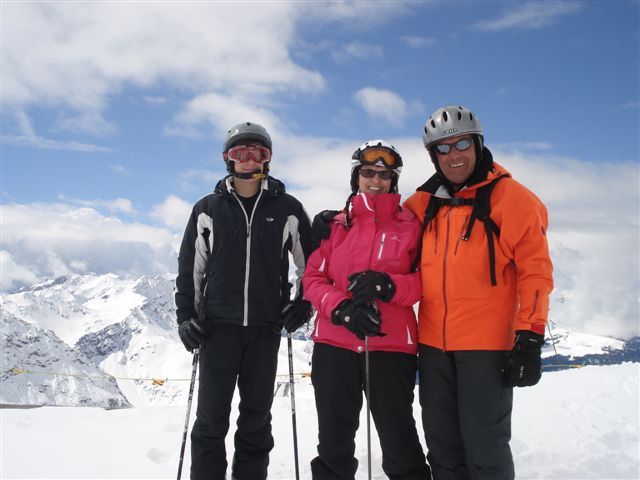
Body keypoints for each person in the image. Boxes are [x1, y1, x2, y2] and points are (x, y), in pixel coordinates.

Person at [403, 105, 554, 479]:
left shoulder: (513, 199)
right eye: (443, 148)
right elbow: (384, 230)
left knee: (484, 448)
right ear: (433, 155)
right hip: (433, 345)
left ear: (478, 144)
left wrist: (530, 336)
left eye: (462, 144)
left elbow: (536, 271)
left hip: (486, 348)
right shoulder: (424, 203)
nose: (454, 155)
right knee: (442, 446)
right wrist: (340, 219)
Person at [174, 121, 314, 480]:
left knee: (256, 422)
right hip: (217, 330)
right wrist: (186, 317)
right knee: (210, 422)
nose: (249, 160)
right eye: (241, 153)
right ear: (228, 159)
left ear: (268, 159)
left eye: (258, 153)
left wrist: (304, 303)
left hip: (265, 330)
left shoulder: (288, 209)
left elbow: (312, 265)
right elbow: (191, 268)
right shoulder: (207, 209)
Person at [303, 140, 431, 480]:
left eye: (384, 174)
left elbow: (425, 283)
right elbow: (313, 279)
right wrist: (342, 308)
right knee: (333, 443)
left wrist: (388, 286)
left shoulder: (411, 227)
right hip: (334, 346)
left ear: (393, 180)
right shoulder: (336, 226)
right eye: (367, 172)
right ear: (356, 177)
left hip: (390, 347)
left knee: (399, 440)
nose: (376, 179)